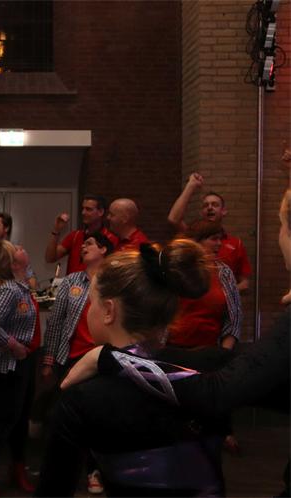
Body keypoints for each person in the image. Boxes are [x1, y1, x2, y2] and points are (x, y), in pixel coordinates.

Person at [35, 239, 232, 497]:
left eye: (91, 303)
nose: (89, 312)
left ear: (109, 311)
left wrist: (108, 358)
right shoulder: (209, 370)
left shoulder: (82, 398)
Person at [39, 231, 115, 494]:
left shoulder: (114, 281)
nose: (83, 247)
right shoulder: (72, 280)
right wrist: (48, 361)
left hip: (103, 359)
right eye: (83, 244)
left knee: (100, 417)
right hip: (71, 359)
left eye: (90, 244)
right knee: (68, 416)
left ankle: (95, 471)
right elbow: (56, 322)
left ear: (104, 250)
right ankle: (65, 469)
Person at [0, 240, 41, 497]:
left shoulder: (22, 286)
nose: (22, 246)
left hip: (26, 361)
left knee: (20, 420)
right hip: (10, 365)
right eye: (17, 248)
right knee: (2, 421)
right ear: (13, 263)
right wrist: (13, 345)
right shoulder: (9, 290)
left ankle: (17, 470)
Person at [167, 173, 251, 291]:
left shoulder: (236, 244)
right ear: (202, 212)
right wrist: (191, 185)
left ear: (224, 211)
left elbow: (244, 283)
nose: (210, 207)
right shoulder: (194, 236)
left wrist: (222, 295)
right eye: (205, 205)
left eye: (215, 205)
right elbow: (173, 219)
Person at [167, 220, 241, 350]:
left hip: (210, 349)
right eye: (214, 239)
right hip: (173, 347)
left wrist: (224, 351)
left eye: (220, 239)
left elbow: (234, 317)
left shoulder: (224, 272)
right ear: (196, 242)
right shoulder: (177, 269)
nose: (219, 243)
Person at [45, 196, 118, 275]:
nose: (83, 212)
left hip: (96, 281)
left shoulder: (111, 238)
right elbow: (50, 258)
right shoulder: (75, 236)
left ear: (100, 212)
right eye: (83, 209)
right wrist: (56, 230)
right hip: (72, 281)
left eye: (88, 209)